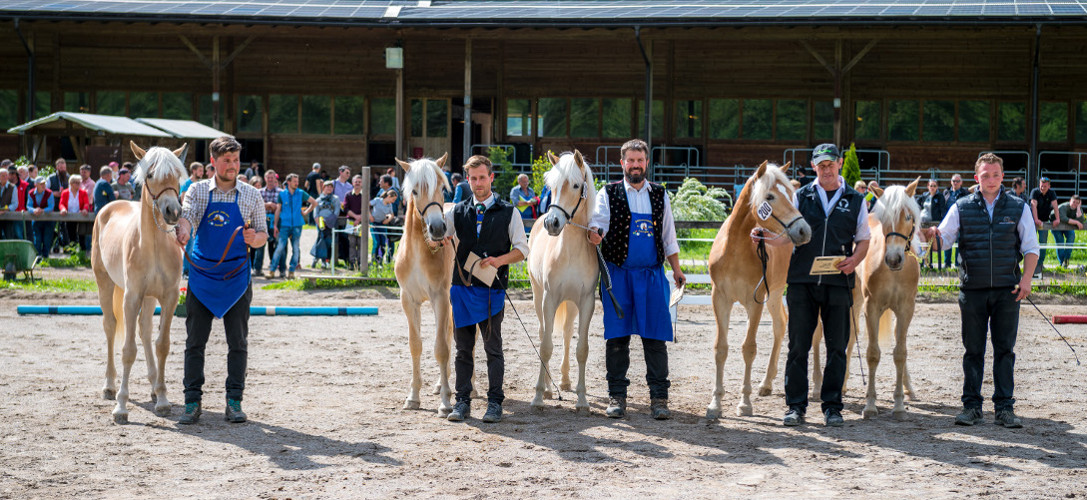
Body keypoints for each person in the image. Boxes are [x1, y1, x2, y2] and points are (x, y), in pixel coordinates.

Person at [923, 153, 1038, 429]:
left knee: (1005, 350)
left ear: (1003, 176)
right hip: (972, 290)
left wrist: (1026, 280)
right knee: (972, 350)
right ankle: (972, 407)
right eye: (985, 175)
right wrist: (928, 236)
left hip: (1007, 291)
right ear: (977, 178)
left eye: (996, 174)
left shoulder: (1019, 207)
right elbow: (943, 241)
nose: (991, 179)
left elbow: (1031, 248)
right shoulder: (960, 207)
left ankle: (1004, 408)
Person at [765, 143, 869, 428]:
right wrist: (765, 237)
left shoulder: (856, 199)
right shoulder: (801, 196)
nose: (826, 170)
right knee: (798, 346)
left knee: (837, 347)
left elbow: (864, 239)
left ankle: (832, 407)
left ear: (839, 163)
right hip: (802, 281)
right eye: (821, 165)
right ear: (814, 167)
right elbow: (786, 235)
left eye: (830, 164)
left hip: (838, 281)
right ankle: (795, 406)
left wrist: (855, 261)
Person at [587, 139, 687, 421]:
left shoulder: (660, 194)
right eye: (630, 161)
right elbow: (598, 224)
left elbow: (668, 236)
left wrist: (676, 269)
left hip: (652, 276)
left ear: (646, 163)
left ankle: (659, 398)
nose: (635, 165)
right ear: (622, 163)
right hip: (618, 275)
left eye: (639, 160)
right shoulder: (609, 193)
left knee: (655, 338)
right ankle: (617, 397)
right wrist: (595, 233)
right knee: (617, 338)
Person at [174, 135, 268, 425]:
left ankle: (234, 401)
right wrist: (183, 230)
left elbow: (263, 235)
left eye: (236, 160)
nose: (233, 165)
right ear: (213, 162)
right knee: (194, 343)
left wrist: (254, 239)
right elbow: (187, 217)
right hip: (202, 278)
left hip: (237, 280)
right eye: (227, 160)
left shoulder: (252, 195)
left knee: (238, 343)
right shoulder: (197, 190)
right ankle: (192, 402)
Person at [440, 155, 529, 424]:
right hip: (462, 290)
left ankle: (494, 403)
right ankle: (462, 402)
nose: (478, 183)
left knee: (493, 349)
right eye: (473, 178)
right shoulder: (455, 212)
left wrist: (499, 261)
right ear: (467, 180)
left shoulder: (510, 212)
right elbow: (435, 239)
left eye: (482, 177)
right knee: (462, 350)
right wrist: (439, 240)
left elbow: (522, 250)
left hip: (493, 291)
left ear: (491, 178)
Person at [268, 173, 318, 279]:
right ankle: (272, 270)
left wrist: (306, 212)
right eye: (295, 181)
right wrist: (275, 225)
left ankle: (291, 271)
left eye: (297, 181)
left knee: (295, 249)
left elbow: (314, 203)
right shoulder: (282, 194)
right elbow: (278, 210)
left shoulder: (301, 193)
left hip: (297, 225)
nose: (297, 183)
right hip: (284, 225)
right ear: (288, 182)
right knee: (280, 248)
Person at [1029, 176, 1060, 277]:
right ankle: (1031, 265)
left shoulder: (1052, 193)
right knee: (1031, 243)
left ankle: (1040, 264)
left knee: (1043, 243)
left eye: (1045, 186)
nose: (1042, 188)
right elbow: (1033, 205)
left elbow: (1055, 206)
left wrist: (1057, 219)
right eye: (1041, 186)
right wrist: (1036, 219)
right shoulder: (1035, 192)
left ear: (1049, 186)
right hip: (1033, 222)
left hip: (1044, 222)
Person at [253, 170, 282, 277]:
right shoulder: (259, 192)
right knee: (260, 245)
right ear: (265, 179)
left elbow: (281, 206)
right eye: (268, 178)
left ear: (275, 178)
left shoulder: (281, 192)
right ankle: (257, 269)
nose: (270, 180)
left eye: (272, 178)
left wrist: (272, 206)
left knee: (276, 245)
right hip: (263, 220)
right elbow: (256, 205)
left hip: (276, 220)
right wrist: (268, 204)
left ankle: (275, 268)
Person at [310, 180, 341, 269]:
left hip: (331, 223)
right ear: (323, 188)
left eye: (331, 187)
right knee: (321, 240)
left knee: (329, 242)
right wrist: (319, 223)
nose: (329, 188)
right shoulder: (318, 200)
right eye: (327, 186)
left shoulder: (335, 199)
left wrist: (328, 221)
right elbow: (315, 213)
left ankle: (321, 259)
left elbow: (336, 212)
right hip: (320, 223)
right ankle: (321, 259)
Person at [59, 174, 92, 252]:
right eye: (76, 183)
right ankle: (73, 253)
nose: (78, 184)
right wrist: (63, 209)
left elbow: (86, 203)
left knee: (82, 236)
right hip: (69, 216)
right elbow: (61, 203)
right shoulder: (65, 192)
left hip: (81, 216)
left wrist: (85, 209)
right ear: (71, 183)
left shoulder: (83, 192)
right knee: (71, 236)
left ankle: (82, 254)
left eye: (79, 183)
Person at [920, 179, 948, 269]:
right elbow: (916, 204)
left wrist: (943, 223)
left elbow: (943, 210)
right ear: (928, 186)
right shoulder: (924, 196)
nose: (932, 187)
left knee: (921, 233)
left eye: (934, 186)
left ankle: (925, 258)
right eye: (931, 186)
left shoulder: (940, 197)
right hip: (923, 222)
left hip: (934, 223)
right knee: (918, 233)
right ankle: (925, 259)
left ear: (937, 187)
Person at [944, 174, 969, 267]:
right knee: (947, 241)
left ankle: (957, 263)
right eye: (953, 181)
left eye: (957, 181)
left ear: (961, 182)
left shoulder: (965, 193)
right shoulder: (946, 193)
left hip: (960, 220)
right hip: (948, 221)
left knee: (959, 243)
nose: (955, 183)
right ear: (951, 182)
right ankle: (947, 263)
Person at [343, 174, 367, 270]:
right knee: (351, 243)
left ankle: (360, 263)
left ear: (362, 183)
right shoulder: (348, 195)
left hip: (362, 222)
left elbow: (367, 208)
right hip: (351, 222)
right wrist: (356, 217)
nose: (357, 183)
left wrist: (359, 219)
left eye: (359, 182)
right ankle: (352, 263)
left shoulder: (365, 195)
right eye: (356, 182)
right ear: (352, 183)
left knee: (361, 243)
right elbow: (345, 208)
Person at [27, 177, 54, 259]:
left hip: (48, 220)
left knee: (47, 239)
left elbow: (51, 207)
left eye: (44, 183)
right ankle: (37, 258)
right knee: (37, 240)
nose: (43, 185)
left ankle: (45, 258)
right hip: (36, 220)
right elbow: (28, 206)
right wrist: (34, 210)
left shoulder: (49, 193)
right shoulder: (31, 193)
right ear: (36, 185)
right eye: (41, 184)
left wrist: (42, 210)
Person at [1054, 194, 1084, 268]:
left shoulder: (1078, 209)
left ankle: (1066, 259)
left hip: (1067, 227)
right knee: (1060, 242)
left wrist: (1078, 208)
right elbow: (1063, 218)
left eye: (1077, 203)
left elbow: (1081, 220)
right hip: (1056, 227)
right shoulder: (1063, 207)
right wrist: (1076, 222)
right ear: (1070, 201)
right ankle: (1062, 264)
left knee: (1071, 236)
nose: (1075, 204)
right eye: (1074, 202)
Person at [369, 188, 397, 264]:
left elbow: (392, 214)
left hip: (382, 224)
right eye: (393, 199)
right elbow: (366, 205)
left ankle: (380, 261)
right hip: (374, 224)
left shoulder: (390, 205)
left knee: (383, 244)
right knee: (376, 242)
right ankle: (373, 261)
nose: (393, 201)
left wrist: (388, 220)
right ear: (389, 196)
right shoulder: (377, 200)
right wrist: (370, 215)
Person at [0, 169, 16, 239]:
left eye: (6, 175)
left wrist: (6, 209)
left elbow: (15, 203)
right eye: (3, 175)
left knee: (9, 237)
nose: (5, 177)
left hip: (8, 216)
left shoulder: (13, 187)